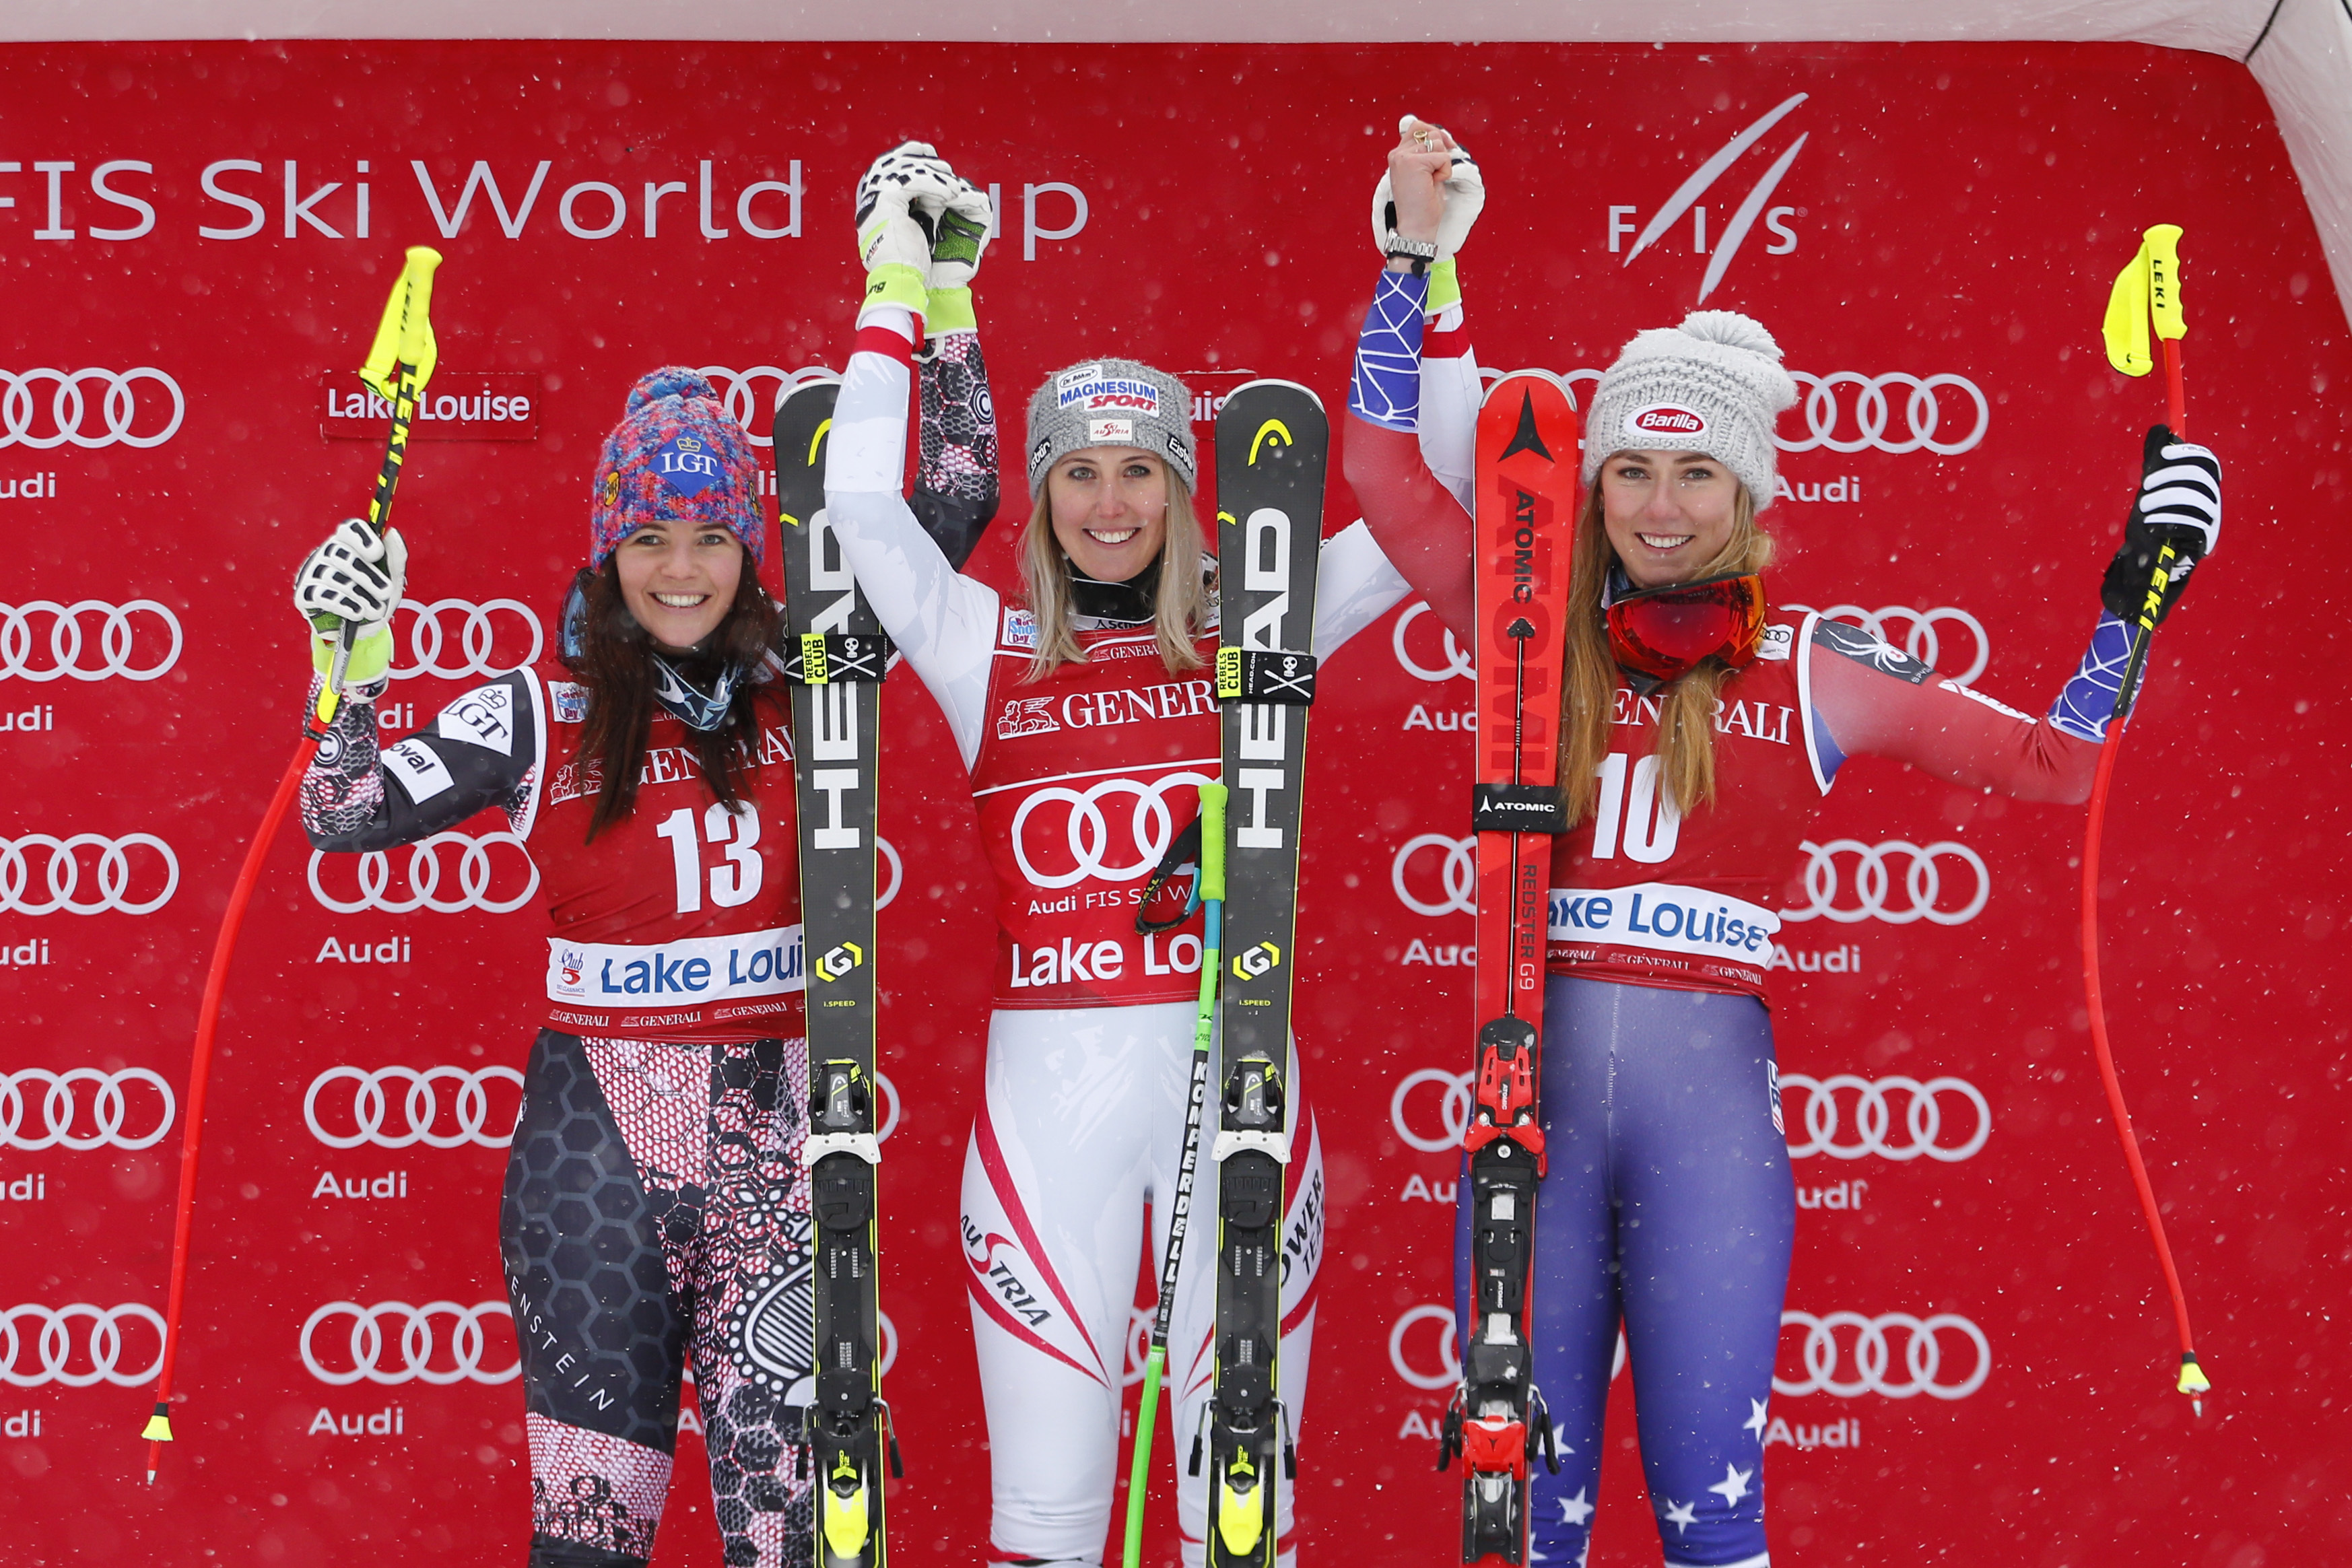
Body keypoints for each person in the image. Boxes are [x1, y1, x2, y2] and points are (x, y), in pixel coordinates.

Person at [1343, 118, 2224, 1568]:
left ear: (1747, 496)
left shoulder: (1818, 665)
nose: (1661, 509)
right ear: (1595, 485)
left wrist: (2138, 599)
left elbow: (2054, 765)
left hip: (1708, 1133)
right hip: (1527, 1124)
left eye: (1696, 480)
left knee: (1713, 1512)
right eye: (1631, 474)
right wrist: (1411, 260)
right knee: (1516, 1516)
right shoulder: (1524, 624)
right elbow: (1381, 472)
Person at [822, 142, 1423, 1568]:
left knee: (1247, 1519)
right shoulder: (982, 646)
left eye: (1140, 472)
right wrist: (897, 286)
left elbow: (1418, 517)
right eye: (1079, 473)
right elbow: (856, 505)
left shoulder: (1254, 626)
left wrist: (1418, 272)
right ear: (1039, 493)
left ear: (1181, 486)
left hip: (1240, 1094)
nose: (1109, 504)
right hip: (1045, 1113)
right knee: (1044, 1519)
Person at [292, 351, 995, 1567]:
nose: (681, 570)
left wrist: (935, 295)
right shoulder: (536, 704)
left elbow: (961, 489)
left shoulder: (818, 673)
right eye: (652, 536)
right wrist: (345, 658)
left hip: (778, 1152)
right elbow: (340, 806)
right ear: (609, 547)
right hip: (592, 1164)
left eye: (713, 537)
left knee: (805, 1540)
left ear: (751, 549)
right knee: (589, 1541)